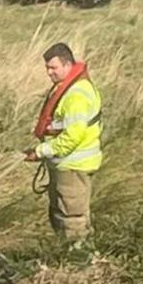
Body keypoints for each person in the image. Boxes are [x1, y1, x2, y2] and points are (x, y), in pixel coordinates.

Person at [25, 43, 103, 241]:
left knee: (72, 218)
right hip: (64, 164)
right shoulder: (68, 87)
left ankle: (78, 263)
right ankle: (65, 258)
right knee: (59, 213)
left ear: (68, 65)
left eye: (53, 68)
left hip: (74, 167)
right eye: (47, 68)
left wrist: (41, 151)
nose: (49, 73)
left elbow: (71, 138)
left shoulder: (76, 95)